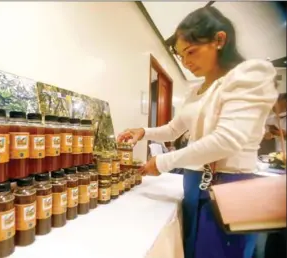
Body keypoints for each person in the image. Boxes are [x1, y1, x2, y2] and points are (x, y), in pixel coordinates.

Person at [117, 6, 278, 258]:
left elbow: (227, 140)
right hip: (194, 182)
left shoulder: (250, 74)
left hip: (228, 183)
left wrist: (163, 162)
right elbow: (173, 130)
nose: (186, 62)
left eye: (191, 52)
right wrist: (143, 131)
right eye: (181, 56)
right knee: (192, 250)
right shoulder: (197, 89)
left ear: (219, 40)